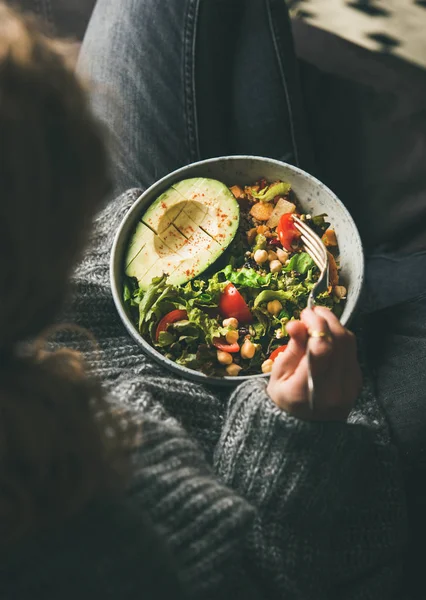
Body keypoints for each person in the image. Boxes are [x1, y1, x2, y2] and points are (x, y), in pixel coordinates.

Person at [0, 1, 407, 599]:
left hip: (118, 262)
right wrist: (298, 433)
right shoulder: (94, 514)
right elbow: (271, 578)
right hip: (270, 423)